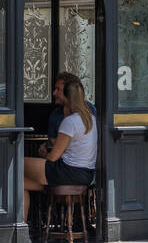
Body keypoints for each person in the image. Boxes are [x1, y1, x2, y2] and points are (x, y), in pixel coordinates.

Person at [23, 74, 98, 227]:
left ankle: (20, 229)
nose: (54, 93)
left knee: (17, 164)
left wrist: (46, 153)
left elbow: (53, 157)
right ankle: (21, 226)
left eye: (58, 90)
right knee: (19, 183)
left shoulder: (70, 121)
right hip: (85, 174)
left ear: (67, 96)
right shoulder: (90, 118)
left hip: (68, 171)